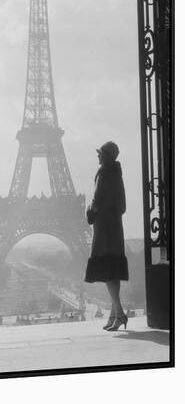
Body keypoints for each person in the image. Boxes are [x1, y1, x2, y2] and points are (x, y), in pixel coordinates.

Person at [85, 141, 129, 331]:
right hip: (115, 227)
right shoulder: (117, 175)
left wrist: (90, 211)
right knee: (113, 271)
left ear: (106, 156)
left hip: (104, 227)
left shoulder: (104, 173)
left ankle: (119, 314)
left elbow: (96, 198)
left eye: (100, 153)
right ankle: (114, 315)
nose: (97, 156)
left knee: (107, 271)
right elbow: (122, 206)